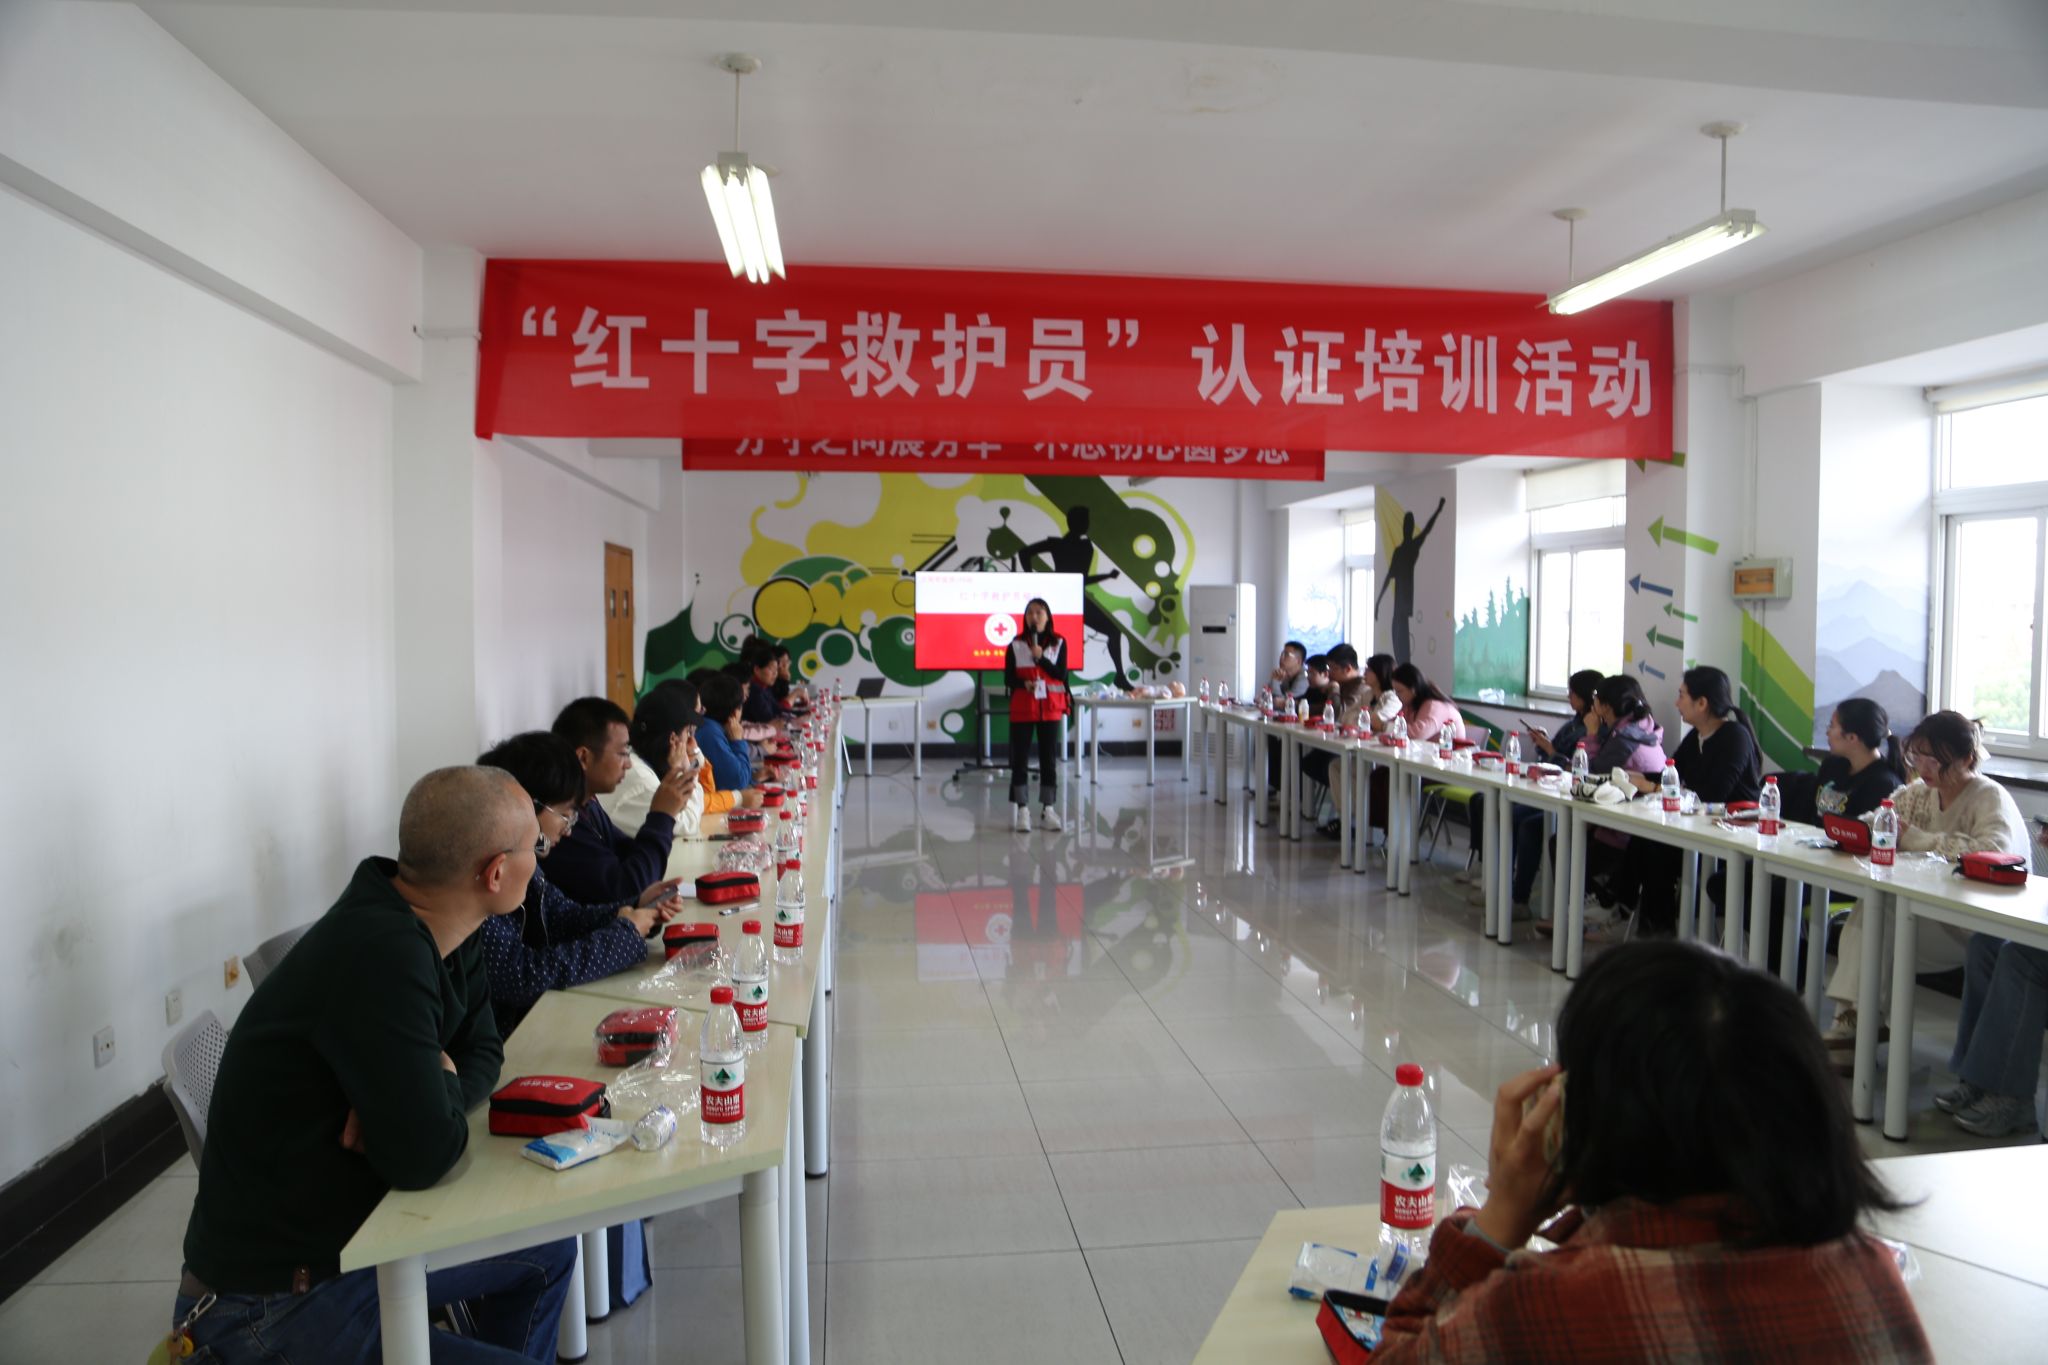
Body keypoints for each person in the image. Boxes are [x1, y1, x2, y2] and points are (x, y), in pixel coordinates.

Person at [173, 767, 577, 1363]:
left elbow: (485, 1049)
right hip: (274, 1304)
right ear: (495, 873)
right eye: (533, 847)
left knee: (548, 1248)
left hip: (348, 1248)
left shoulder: (447, 921)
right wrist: (432, 1094)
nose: (540, 858)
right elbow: (424, 1156)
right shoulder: (383, 951)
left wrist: (428, 1093)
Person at [1372, 940, 1929, 1363]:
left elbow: (1397, 1354)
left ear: (1581, 1115)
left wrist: (1502, 1218)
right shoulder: (1870, 1277)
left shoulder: (1550, 1301)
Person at [1822, 711, 2030, 1079]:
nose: (1924, 768)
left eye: (1935, 760)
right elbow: (1877, 820)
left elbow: (1994, 851)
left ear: (1967, 759)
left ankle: (1856, 1023)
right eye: (1917, 756)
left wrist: (1917, 839)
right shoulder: (1918, 793)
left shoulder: (1988, 797)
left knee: (1878, 914)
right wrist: (1854, 831)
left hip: (1973, 926)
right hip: (1927, 914)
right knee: (1874, 909)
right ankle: (1856, 1024)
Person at [476, 731, 683, 1034]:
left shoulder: (525, 861)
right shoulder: (480, 885)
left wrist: (631, 908)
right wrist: (624, 934)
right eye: (565, 814)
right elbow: (522, 976)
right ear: (526, 807)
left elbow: (561, 916)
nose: (569, 829)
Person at [1619, 667, 1757, 935]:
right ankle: (1637, 919)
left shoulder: (1735, 738)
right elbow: (1671, 774)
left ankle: (1653, 928)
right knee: (1644, 839)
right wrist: (1634, 777)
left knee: (1655, 848)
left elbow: (1711, 796)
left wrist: (1654, 787)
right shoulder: (1696, 736)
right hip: (1697, 829)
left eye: (1682, 695)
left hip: (1731, 837)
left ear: (1702, 703)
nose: (1676, 703)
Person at [545, 697, 691, 905]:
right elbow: (627, 889)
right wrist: (662, 816)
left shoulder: (589, 804)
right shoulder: (561, 825)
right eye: (622, 753)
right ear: (584, 758)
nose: (628, 764)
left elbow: (629, 854)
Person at [1504, 671, 1603, 917]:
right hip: (1552, 789)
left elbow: (1578, 767)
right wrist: (1545, 744)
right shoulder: (1575, 723)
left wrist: (1550, 749)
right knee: (1509, 812)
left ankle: (1520, 897)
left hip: (1573, 799)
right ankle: (1502, 884)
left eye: (1573, 693)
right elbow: (1556, 754)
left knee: (1528, 825)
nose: (1569, 697)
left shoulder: (1597, 730)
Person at [1018, 504, 1134, 689]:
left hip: (1076, 598)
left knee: (1112, 631)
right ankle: (1055, 679)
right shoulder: (1059, 543)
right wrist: (1033, 579)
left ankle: (1119, 676)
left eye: (1086, 521)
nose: (1086, 525)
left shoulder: (1085, 546)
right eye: (1083, 521)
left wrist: (1106, 576)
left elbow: (1080, 579)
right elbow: (1024, 553)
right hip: (1064, 599)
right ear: (1073, 522)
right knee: (1058, 641)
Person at [601, 679, 708, 837]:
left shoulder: (640, 760)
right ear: (673, 740)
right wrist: (686, 771)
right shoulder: (640, 779)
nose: (690, 739)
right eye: (687, 732)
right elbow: (687, 824)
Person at [1006, 595, 1070, 831]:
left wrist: (1040, 658)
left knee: (1048, 760)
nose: (1034, 616)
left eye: (1039, 612)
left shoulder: (1059, 642)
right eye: (1030, 612)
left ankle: (1048, 809)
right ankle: (1022, 810)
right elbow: (1008, 678)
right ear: (1025, 618)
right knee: (1020, 760)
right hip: (1023, 707)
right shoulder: (1015, 644)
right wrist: (1023, 684)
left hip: (1050, 708)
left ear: (1048, 617)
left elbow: (1061, 674)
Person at [1375, 497, 1446, 665]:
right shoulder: (1399, 551)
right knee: (1397, 641)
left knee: (1402, 641)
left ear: (1411, 528)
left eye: (1409, 525)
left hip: (1404, 604)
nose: (1407, 528)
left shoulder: (1412, 547)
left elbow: (1427, 529)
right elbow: (1388, 577)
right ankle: (1402, 668)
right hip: (1399, 605)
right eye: (1406, 525)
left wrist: (1438, 510)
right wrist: (1378, 602)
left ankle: (1405, 669)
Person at [696, 672, 757, 796]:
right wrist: (738, 742)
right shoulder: (710, 733)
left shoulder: (711, 727)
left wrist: (754, 776)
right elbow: (737, 782)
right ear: (734, 713)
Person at [1389, 662, 1463, 744]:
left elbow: (1417, 735)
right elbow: (1395, 723)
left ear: (1413, 689)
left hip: (1448, 751)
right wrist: (1385, 726)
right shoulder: (1409, 705)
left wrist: (1384, 726)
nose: (1396, 695)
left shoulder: (1434, 706)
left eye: (1399, 691)